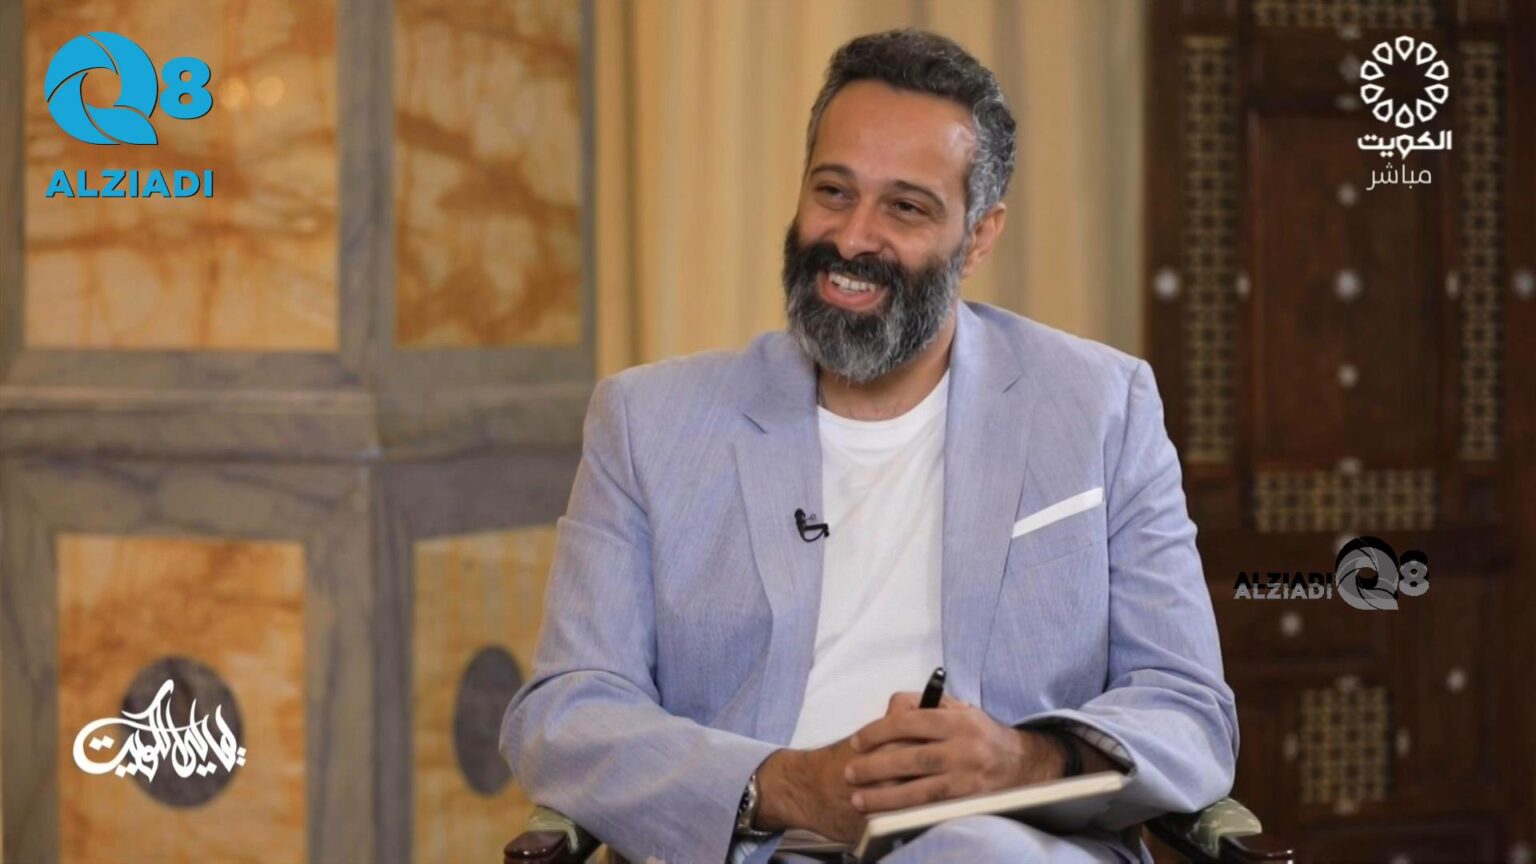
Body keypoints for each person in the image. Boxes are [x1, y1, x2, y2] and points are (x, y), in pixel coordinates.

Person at [502, 29, 1237, 864]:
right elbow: (565, 714)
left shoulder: (1102, 407)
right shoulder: (649, 421)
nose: (853, 239)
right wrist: (781, 785)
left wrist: (1021, 761)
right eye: (834, 191)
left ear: (979, 236)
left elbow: (1190, 712)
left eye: (905, 207)